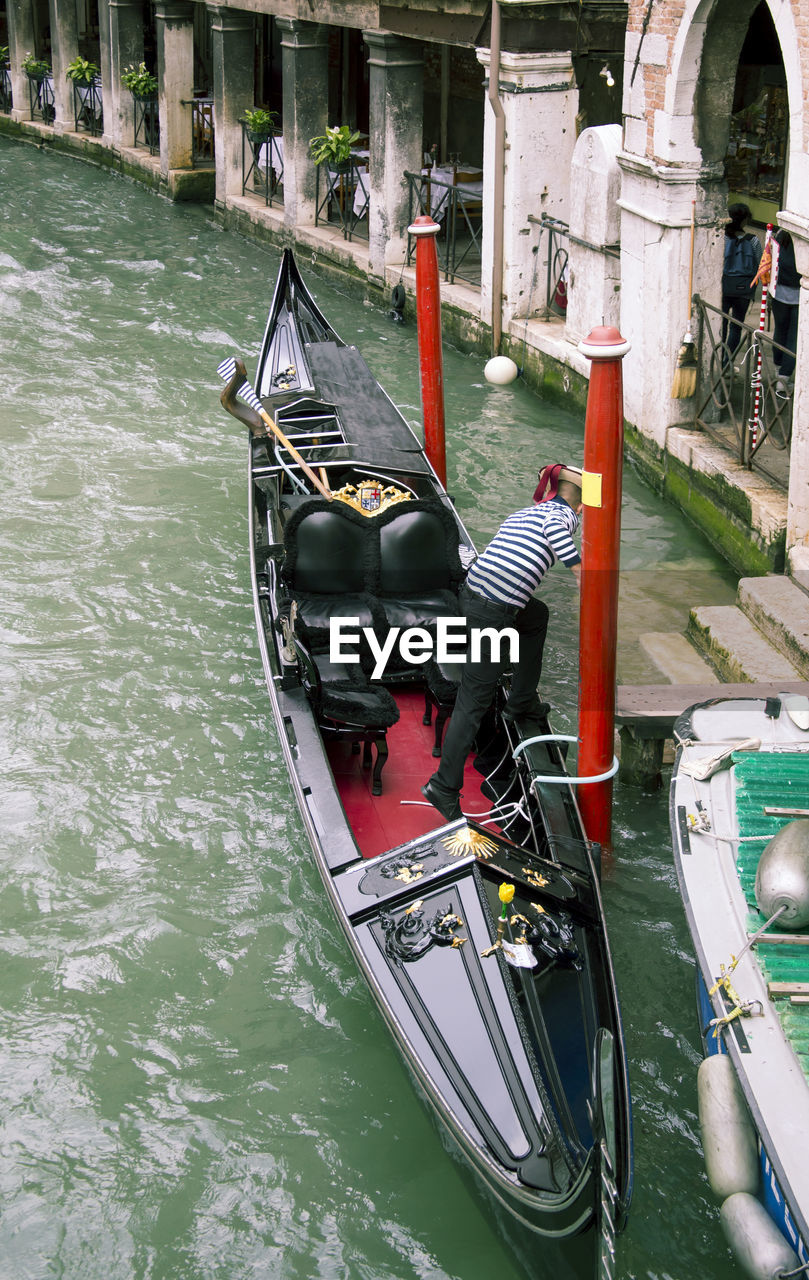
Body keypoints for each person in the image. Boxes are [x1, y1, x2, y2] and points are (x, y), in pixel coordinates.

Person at [421, 464, 583, 823]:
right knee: (473, 700)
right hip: (491, 612)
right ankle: (443, 787)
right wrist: (582, 574)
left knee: (536, 614)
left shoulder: (527, 511)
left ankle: (521, 701)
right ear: (580, 504)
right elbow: (558, 532)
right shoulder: (564, 517)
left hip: (472, 592)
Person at [721, 203, 762, 360]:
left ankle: (719, 356)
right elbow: (759, 263)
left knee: (722, 324)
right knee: (736, 327)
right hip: (744, 289)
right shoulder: (753, 241)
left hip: (725, 286)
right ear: (744, 220)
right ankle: (728, 360)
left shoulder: (722, 238)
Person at [769, 228, 801, 398]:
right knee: (794, 337)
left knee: (780, 330)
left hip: (778, 293)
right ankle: (784, 376)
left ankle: (778, 367)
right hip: (799, 296)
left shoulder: (781, 236)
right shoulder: (802, 239)